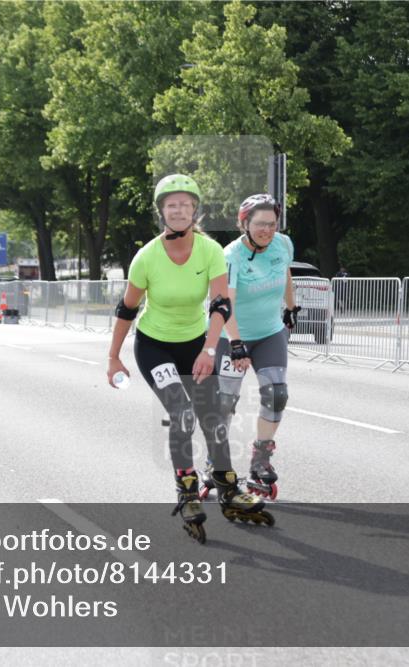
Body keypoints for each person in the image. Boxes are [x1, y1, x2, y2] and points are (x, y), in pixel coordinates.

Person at [106, 174, 274, 543]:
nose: (178, 210)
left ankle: (228, 489)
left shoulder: (209, 250)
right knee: (181, 411)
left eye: (185, 204)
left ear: (194, 210)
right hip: (154, 345)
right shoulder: (146, 257)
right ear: (161, 211)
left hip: (195, 341)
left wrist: (210, 349)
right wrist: (113, 357)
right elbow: (127, 308)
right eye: (171, 205)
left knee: (212, 415)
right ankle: (186, 489)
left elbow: (220, 303)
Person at [204, 194, 297, 501]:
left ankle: (261, 458)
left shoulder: (283, 244)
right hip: (232, 335)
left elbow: (285, 273)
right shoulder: (231, 256)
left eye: (272, 224)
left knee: (276, 394)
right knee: (226, 402)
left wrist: (291, 308)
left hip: (269, 332)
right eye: (260, 225)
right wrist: (237, 344)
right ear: (244, 224)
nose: (267, 230)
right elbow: (225, 301)